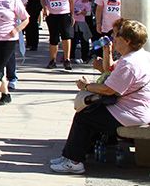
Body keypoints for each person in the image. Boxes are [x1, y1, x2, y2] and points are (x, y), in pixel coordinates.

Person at [50, 20, 150, 174]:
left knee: (84, 117)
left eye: (117, 36)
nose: (114, 39)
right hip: (135, 108)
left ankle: (74, 161)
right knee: (91, 114)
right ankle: (71, 156)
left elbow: (109, 89)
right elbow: (110, 71)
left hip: (132, 112)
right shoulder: (140, 56)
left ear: (127, 41)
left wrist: (86, 86)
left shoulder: (129, 63)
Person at [42, 0, 76, 70]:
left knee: (66, 36)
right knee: (53, 37)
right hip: (52, 14)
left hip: (64, 13)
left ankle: (67, 59)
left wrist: (72, 14)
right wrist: (45, 7)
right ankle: (52, 60)